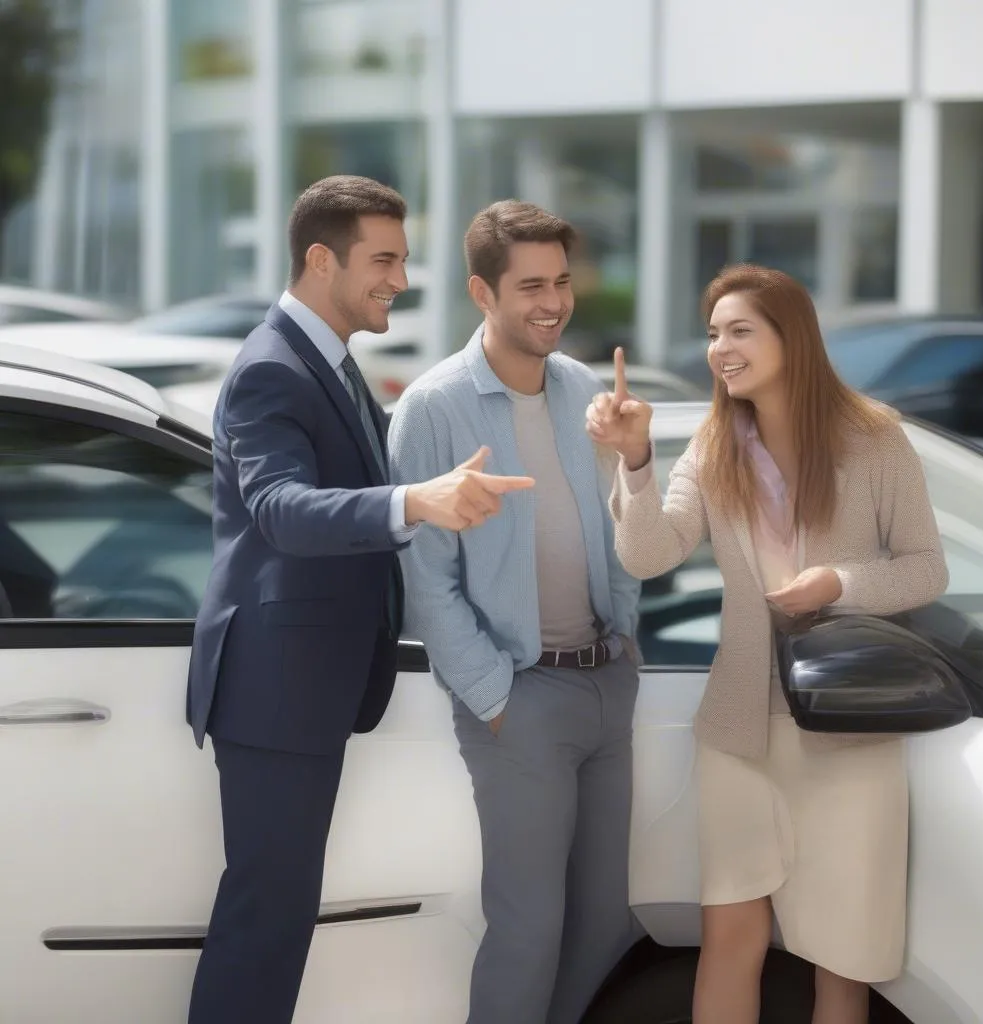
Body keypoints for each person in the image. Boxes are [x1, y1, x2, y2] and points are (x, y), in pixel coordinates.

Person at [185, 175, 534, 1024]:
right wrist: (414, 501)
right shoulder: (272, 370)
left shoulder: (328, 363)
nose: (400, 281)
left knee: (278, 918)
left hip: (305, 689)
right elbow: (280, 510)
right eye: (383, 260)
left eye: (403, 261)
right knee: (265, 922)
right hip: (275, 692)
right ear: (319, 259)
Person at [586, 264, 949, 1024]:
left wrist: (836, 583)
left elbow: (926, 569)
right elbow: (649, 556)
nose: (721, 347)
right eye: (715, 332)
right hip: (738, 736)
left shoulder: (874, 437)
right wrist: (636, 459)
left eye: (740, 329)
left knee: (843, 960)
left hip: (849, 737)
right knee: (729, 936)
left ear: (793, 335)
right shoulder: (714, 446)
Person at [389, 200, 642, 1024]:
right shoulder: (433, 407)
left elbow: (619, 528)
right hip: (522, 697)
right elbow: (427, 581)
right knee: (529, 928)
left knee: (604, 923)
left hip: (607, 682)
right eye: (531, 284)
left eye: (563, 281)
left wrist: (627, 632)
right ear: (482, 293)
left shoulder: (580, 389)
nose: (553, 302)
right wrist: (494, 698)